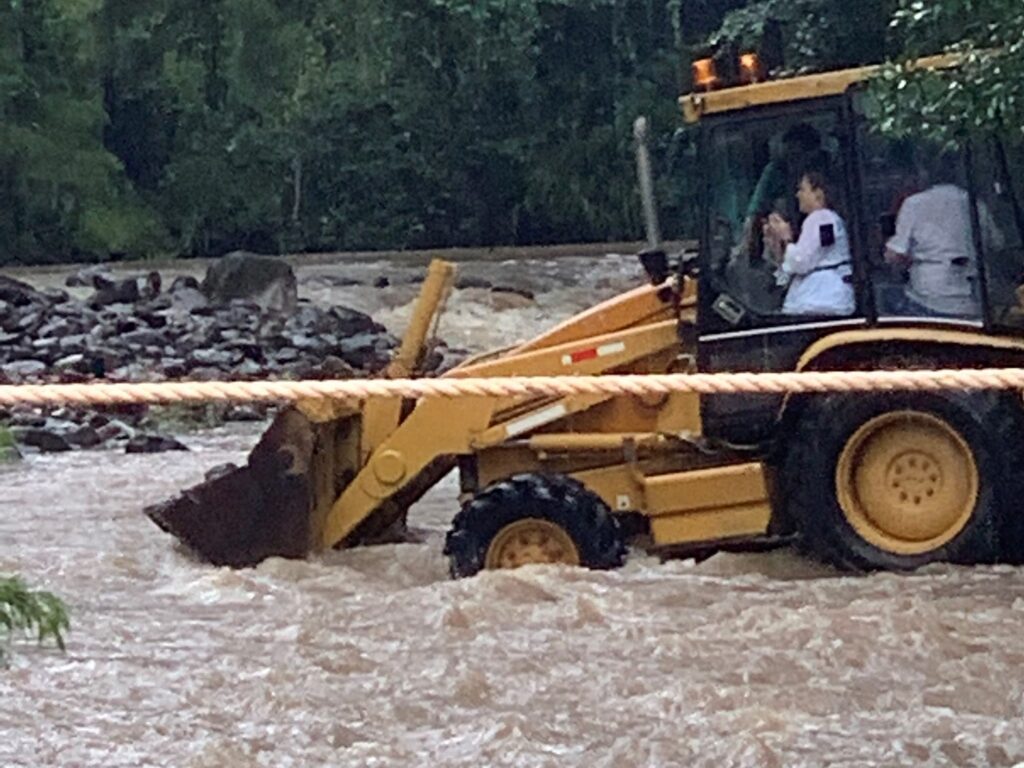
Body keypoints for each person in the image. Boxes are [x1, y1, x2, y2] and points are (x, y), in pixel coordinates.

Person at [884, 152, 1004, 318]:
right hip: (974, 293)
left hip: (929, 295)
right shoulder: (975, 202)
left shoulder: (914, 203)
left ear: (926, 173)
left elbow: (896, 253)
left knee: (887, 297)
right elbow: (997, 243)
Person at [764, 171, 855, 316]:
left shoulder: (820, 219)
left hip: (819, 299)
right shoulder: (829, 220)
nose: (797, 195)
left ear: (818, 193)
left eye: (802, 189)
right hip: (830, 296)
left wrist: (786, 237)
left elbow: (801, 262)